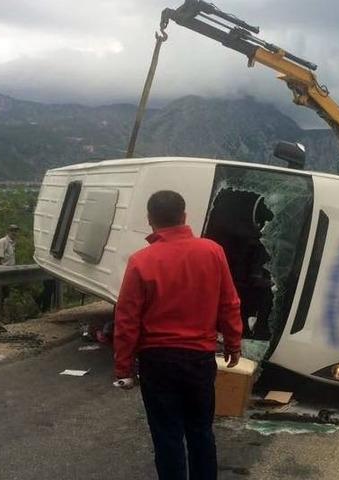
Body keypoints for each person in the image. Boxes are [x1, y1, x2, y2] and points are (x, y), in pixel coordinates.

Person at [113, 190, 242, 480]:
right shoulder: (212, 252)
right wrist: (233, 343)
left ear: (150, 221)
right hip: (199, 359)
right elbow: (229, 302)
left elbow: (127, 318)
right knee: (200, 432)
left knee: (167, 434)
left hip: (157, 362)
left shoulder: (141, 261)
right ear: (184, 216)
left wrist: (123, 367)